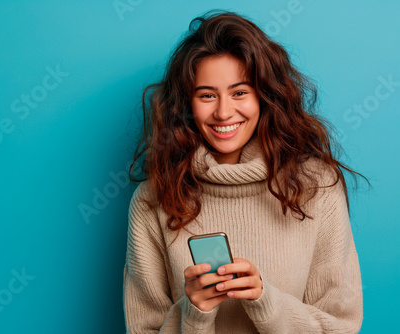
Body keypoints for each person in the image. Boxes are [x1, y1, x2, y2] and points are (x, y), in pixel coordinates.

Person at [123, 10, 365, 333]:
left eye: (239, 92)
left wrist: (267, 303)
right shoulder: (153, 199)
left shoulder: (316, 186)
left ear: (264, 97)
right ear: (187, 104)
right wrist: (193, 312)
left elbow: (342, 326)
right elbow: (143, 329)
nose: (223, 112)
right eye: (207, 95)